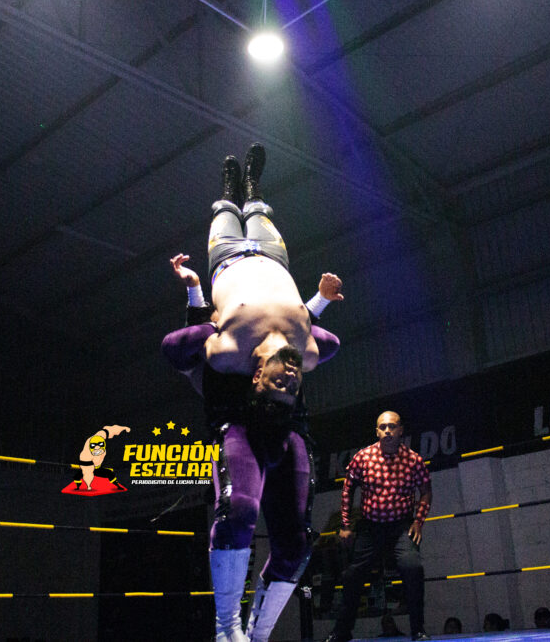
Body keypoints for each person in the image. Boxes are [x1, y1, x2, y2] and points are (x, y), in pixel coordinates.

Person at [161, 143, 343, 642]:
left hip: (226, 262)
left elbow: (177, 347)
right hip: (273, 258)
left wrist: (197, 297)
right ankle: (252, 186)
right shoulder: (307, 350)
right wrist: (319, 301)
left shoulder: (227, 353)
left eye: (281, 381)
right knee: (258, 209)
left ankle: (241, 633)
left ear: (256, 373)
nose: (290, 378)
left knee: (224, 209)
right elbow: (315, 333)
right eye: (291, 383)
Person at [323, 411, 433, 642]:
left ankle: (418, 629)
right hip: (370, 527)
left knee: (413, 568)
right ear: (376, 431)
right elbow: (347, 489)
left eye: (392, 426)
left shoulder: (414, 460)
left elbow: (425, 492)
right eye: (383, 427)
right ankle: (342, 631)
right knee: (352, 575)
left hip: (401, 526)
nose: (387, 431)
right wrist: (345, 524)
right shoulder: (363, 457)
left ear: (400, 430)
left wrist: (418, 521)